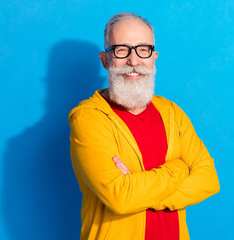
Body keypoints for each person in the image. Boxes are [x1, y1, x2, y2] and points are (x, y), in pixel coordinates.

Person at [68, 12, 220, 240]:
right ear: (105, 60)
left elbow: (209, 180)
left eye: (143, 49)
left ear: (154, 57)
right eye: (121, 50)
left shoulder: (172, 113)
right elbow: (120, 198)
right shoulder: (89, 118)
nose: (133, 61)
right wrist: (178, 169)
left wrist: (139, 190)